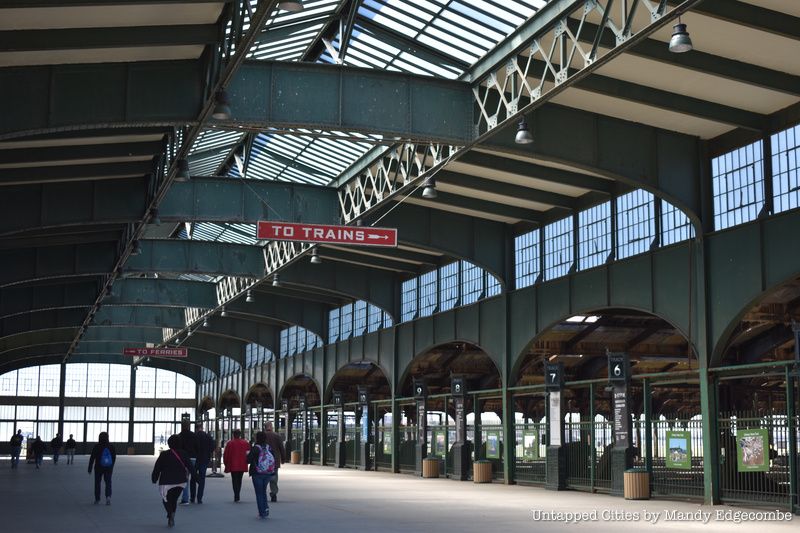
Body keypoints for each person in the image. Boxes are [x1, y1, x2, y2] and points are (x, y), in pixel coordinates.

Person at [152, 435, 194, 528]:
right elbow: (190, 466)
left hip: (166, 482)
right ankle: (172, 514)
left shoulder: (164, 454)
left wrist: (154, 478)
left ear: (169, 443)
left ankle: (170, 513)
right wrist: (196, 478)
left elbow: (157, 468)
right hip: (180, 482)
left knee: (166, 499)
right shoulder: (184, 453)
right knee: (174, 499)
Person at [247, 431, 275, 519]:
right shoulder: (268, 447)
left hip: (257, 473)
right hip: (267, 473)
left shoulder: (255, 448)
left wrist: (247, 454)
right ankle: (265, 508)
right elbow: (273, 458)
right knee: (263, 491)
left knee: (259, 493)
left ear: (257, 438)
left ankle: (262, 512)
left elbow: (248, 460)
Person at [88, 431, 116, 505]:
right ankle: (108, 497)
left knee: (97, 483)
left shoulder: (97, 446)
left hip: (98, 467)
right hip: (108, 468)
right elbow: (113, 457)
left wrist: (90, 468)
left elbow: (92, 457)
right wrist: (112, 466)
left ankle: (97, 499)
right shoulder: (111, 446)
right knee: (108, 482)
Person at [222, 429, 250, 502]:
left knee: (234, 480)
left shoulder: (230, 443)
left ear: (233, 435)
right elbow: (248, 454)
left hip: (233, 464)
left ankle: (236, 494)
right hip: (242, 464)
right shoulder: (245, 443)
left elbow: (226, 455)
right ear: (240, 434)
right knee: (239, 480)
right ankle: (238, 493)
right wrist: (247, 462)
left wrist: (226, 463)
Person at [263, 422, 287, 502]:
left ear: (265, 427)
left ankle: (262, 493)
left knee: (263, 477)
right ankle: (273, 493)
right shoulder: (277, 436)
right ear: (271, 427)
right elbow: (281, 448)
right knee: (274, 477)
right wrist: (283, 459)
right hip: (274, 460)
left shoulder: (262, 435)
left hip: (264, 460)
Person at [177, 421, 198, 504]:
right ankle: (193, 497)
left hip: (183, 459)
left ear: (182, 426)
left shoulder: (179, 436)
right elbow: (197, 447)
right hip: (193, 459)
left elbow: (178, 449)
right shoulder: (194, 435)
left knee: (185, 479)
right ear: (189, 426)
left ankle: (185, 499)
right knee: (193, 477)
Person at [194, 423, 214, 504]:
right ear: (202, 428)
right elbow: (212, 446)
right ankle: (199, 498)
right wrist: (208, 453)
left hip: (196, 459)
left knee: (193, 478)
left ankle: (192, 497)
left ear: (196, 429)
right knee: (202, 478)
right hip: (205, 459)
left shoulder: (194, 436)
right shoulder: (208, 436)